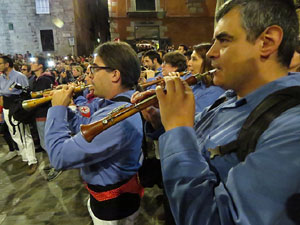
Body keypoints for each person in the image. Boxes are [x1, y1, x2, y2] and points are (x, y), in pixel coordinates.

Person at [136, 0, 300, 224]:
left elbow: (213, 219)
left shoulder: (292, 129)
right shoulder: (232, 95)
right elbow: (197, 144)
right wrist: (160, 120)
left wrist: (177, 129)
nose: (211, 53)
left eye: (223, 40)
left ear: (267, 41)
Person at [45, 41, 144, 224]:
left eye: (94, 69)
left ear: (115, 74)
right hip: (106, 199)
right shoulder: (110, 104)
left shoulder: (118, 117)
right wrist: (66, 109)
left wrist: (57, 110)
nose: (89, 76)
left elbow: (58, 157)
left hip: (114, 209)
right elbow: (85, 125)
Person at [0, 55, 38, 174]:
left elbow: (26, 93)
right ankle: (25, 156)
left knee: (24, 133)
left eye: (0, 63)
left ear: (7, 64)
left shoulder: (19, 76)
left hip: (17, 107)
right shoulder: (1, 78)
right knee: (15, 133)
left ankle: (32, 160)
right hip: (6, 107)